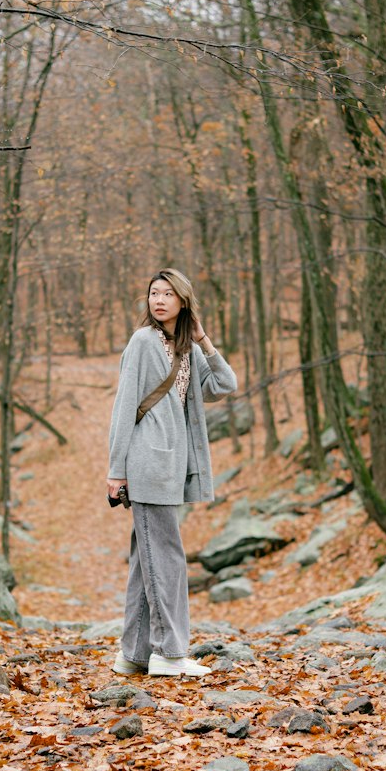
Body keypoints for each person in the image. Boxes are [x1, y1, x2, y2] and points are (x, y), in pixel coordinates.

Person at [107, 268, 238, 676]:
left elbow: (225, 384)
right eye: (153, 293)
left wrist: (202, 338)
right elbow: (124, 406)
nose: (159, 300)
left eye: (168, 294)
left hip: (171, 466)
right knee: (166, 558)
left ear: (183, 301)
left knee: (146, 560)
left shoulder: (186, 348)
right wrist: (116, 470)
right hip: (147, 463)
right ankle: (169, 652)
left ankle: (134, 655)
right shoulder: (143, 341)